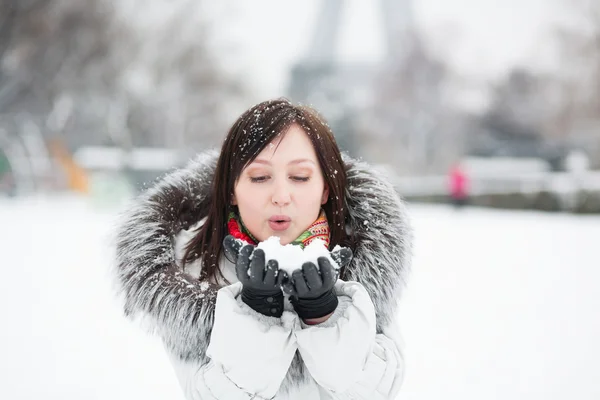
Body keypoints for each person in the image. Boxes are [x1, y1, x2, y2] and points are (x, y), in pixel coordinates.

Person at [113, 98, 412, 399]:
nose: (281, 196)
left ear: (325, 188)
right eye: (259, 177)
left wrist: (325, 313)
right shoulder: (189, 272)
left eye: (299, 177)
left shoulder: (363, 259)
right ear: (231, 188)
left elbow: (376, 390)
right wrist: (254, 314)